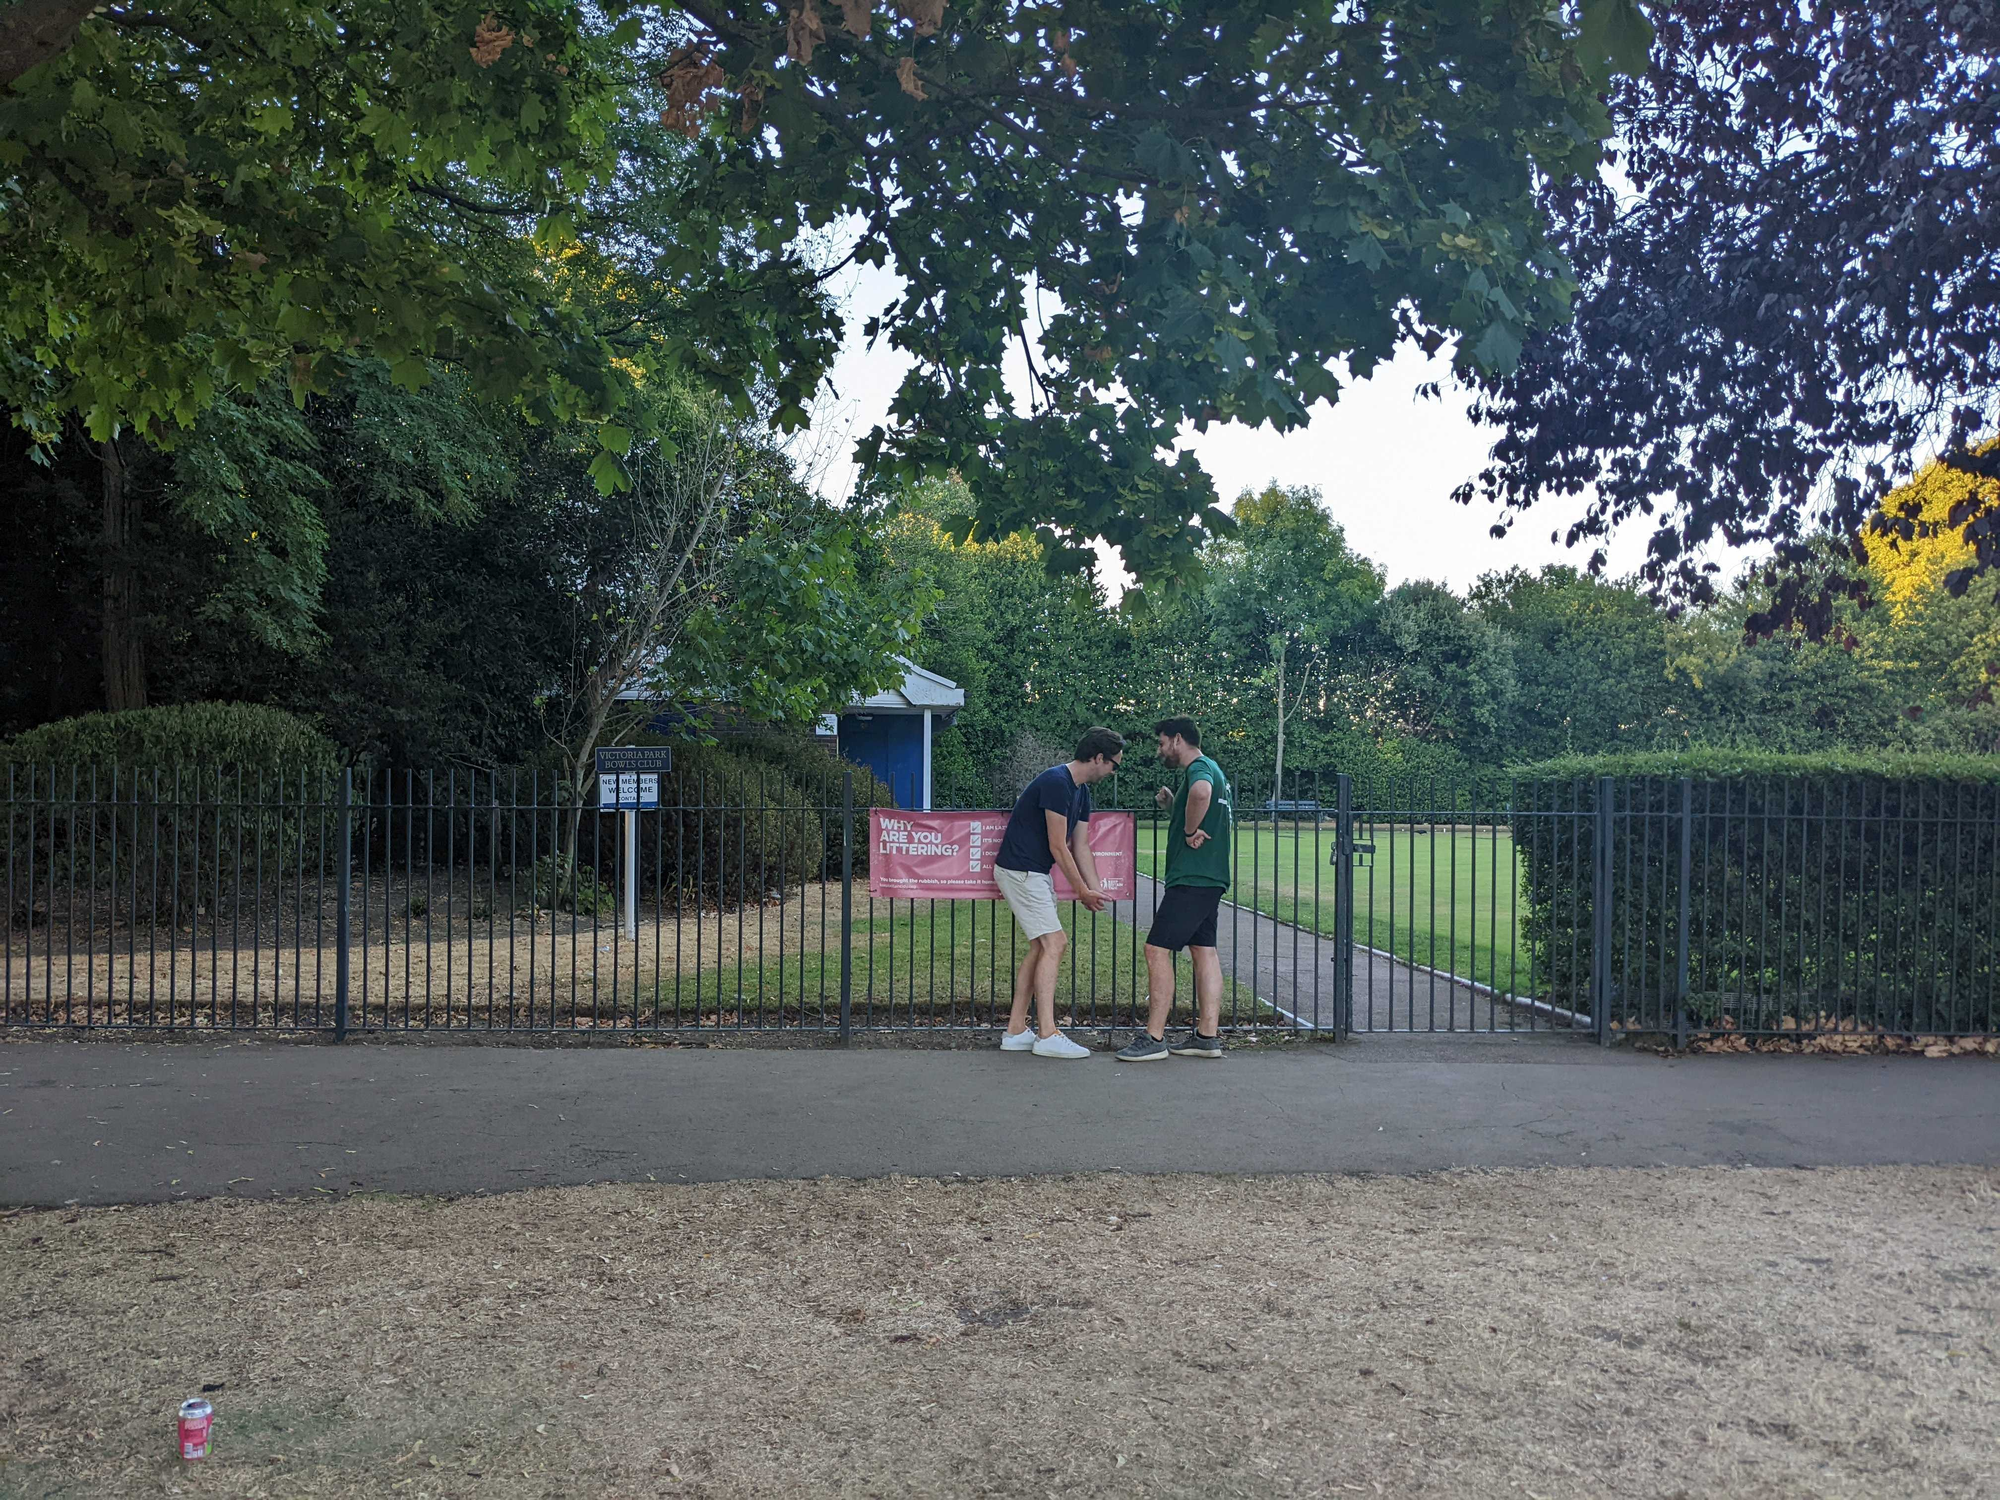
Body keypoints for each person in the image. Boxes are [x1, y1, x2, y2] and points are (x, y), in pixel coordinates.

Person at [996, 726, 1125, 1058]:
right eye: (1114, 765)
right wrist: (1081, 890)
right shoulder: (1056, 782)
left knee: (1041, 947)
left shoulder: (1081, 792)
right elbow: (1058, 845)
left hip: (1033, 872)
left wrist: (1095, 889)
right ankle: (1047, 1034)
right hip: (1021, 870)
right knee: (1056, 943)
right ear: (1099, 758)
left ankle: (1015, 1031)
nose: (1114, 772)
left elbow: (1080, 846)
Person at [1116, 717, 1232, 1061]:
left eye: (1162, 742)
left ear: (1178, 739)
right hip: (1209, 876)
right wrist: (1174, 808)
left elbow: (1201, 793)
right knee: (1203, 950)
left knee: (1156, 949)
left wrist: (1188, 831)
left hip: (1192, 877)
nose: (1160, 750)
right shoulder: (1213, 768)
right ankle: (1206, 1037)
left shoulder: (1199, 768)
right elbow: (1200, 801)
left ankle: (1154, 1038)